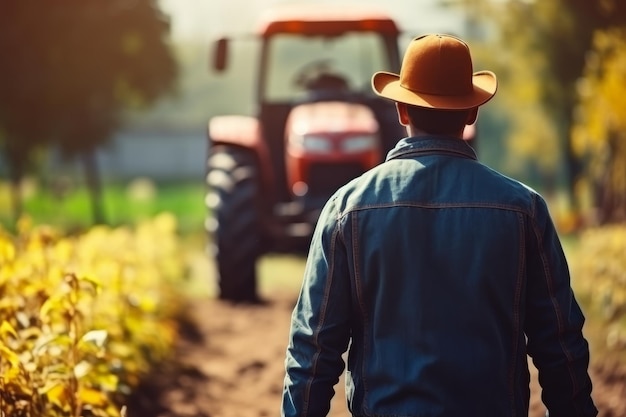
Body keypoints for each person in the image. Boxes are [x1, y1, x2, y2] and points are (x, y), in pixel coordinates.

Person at [281, 34, 597, 417]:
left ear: (401, 109)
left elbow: (314, 350)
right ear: (471, 113)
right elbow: (559, 345)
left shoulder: (346, 209)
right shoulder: (524, 210)